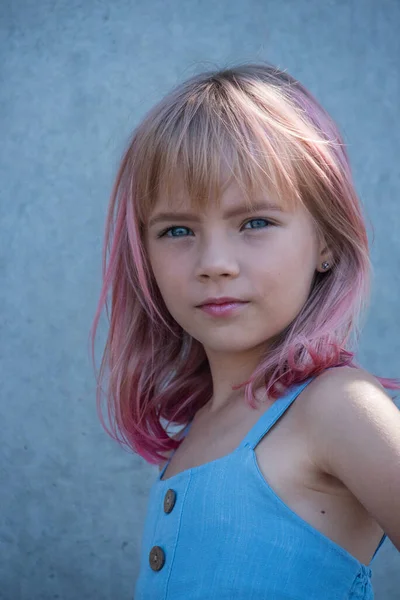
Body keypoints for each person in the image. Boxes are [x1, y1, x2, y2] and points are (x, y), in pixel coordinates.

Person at [90, 62, 400, 599]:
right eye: (178, 230)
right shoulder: (197, 426)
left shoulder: (337, 407)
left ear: (326, 241)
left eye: (255, 222)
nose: (214, 263)